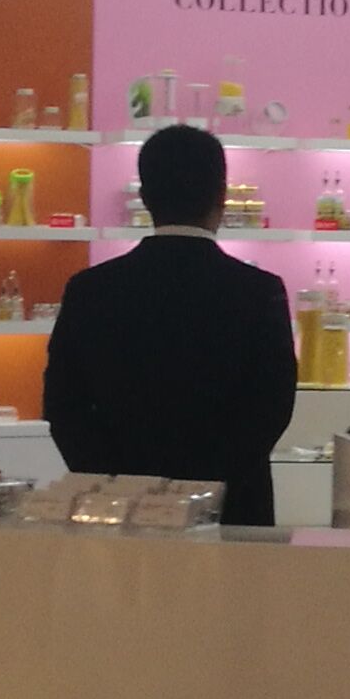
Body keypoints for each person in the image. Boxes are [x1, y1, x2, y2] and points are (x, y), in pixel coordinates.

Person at [39, 124, 300, 529]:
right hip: (232, 513)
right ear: (221, 196)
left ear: (145, 197)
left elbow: (63, 406)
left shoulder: (90, 289)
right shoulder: (258, 291)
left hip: (118, 512)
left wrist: (114, 482)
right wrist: (207, 487)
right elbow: (271, 407)